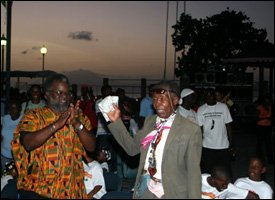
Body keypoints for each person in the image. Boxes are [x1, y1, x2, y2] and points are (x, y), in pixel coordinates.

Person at [106, 80, 202, 198]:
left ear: (175, 100)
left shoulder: (190, 129)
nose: (157, 104)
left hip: (172, 193)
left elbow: (193, 174)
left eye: (162, 99)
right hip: (147, 189)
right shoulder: (150, 122)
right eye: (155, 99)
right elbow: (132, 148)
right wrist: (116, 122)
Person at [11, 73, 96, 199]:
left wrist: (77, 124)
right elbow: (28, 143)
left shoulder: (78, 117)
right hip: (41, 191)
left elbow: (92, 147)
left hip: (72, 190)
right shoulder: (33, 116)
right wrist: (57, 124)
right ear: (46, 94)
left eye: (67, 93)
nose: (64, 97)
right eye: (58, 93)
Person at [197, 88, 234, 179]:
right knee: (207, 172)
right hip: (207, 146)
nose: (209, 97)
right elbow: (200, 129)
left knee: (225, 171)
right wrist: (198, 144)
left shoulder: (223, 107)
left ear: (215, 96)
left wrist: (231, 142)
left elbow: (228, 125)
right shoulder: (201, 109)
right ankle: (207, 191)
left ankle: (227, 190)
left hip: (223, 146)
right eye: (207, 95)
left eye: (211, 95)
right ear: (204, 97)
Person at [1, 99, 23, 173]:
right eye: (10, 108)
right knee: (5, 178)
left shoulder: (24, 119)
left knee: (16, 178)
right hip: (3, 155)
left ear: (19, 109)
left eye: (14, 108)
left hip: (17, 157)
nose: (12, 110)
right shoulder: (5, 118)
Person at [255, 93, 274, 164]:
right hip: (260, 127)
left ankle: (270, 159)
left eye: (269, 99)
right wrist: (266, 118)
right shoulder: (259, 107)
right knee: (260, 144)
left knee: (268, 143)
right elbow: (256, 118)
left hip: (268, 126)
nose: (268, 100)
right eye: (267, 99)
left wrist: (271, 119)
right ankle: (258, 159)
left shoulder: (269, 107)